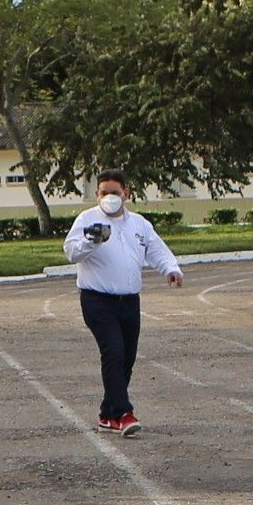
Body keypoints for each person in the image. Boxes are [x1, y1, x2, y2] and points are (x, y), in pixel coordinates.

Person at [62, 170, 183, 434]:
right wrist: (90, 240)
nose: (109, 197)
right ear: (96, 195)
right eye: (104, 192)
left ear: (126, 194)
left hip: (129, 301)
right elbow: (71, 252)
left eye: (115, 193)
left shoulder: (139, 224)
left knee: (127, 357)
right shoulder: (87, 219)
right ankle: (124, 413)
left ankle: (108, 414)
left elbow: (156, 249)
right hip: (97, 300)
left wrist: (171, 268)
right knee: (114, 352)